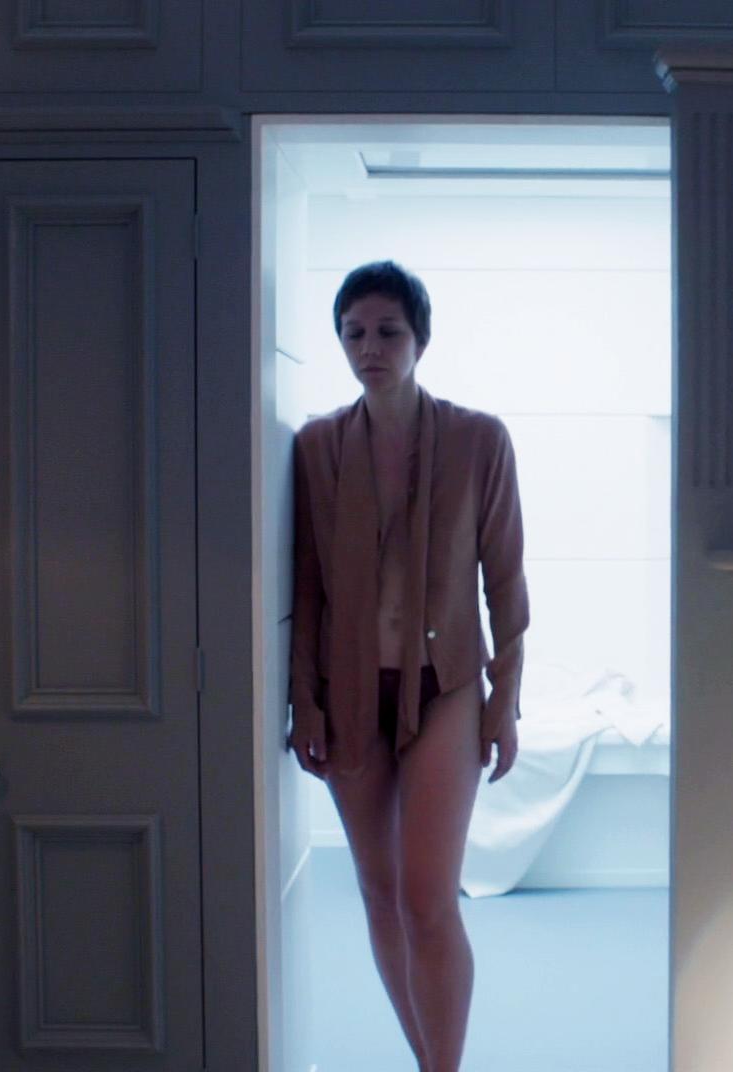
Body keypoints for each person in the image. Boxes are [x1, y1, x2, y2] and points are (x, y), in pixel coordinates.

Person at [287, 260, 528, 1071]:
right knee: (380, 892)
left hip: (446, 684)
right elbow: (306, 587)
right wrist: (304, 701)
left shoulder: (479, 439)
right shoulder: (318, 446)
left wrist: (505, 701)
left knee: (428, 897)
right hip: (349, 689)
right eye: (354, 333)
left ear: (420, 338)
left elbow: (505, 579)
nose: (370, 348)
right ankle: (427, 1060)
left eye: (388, 332)